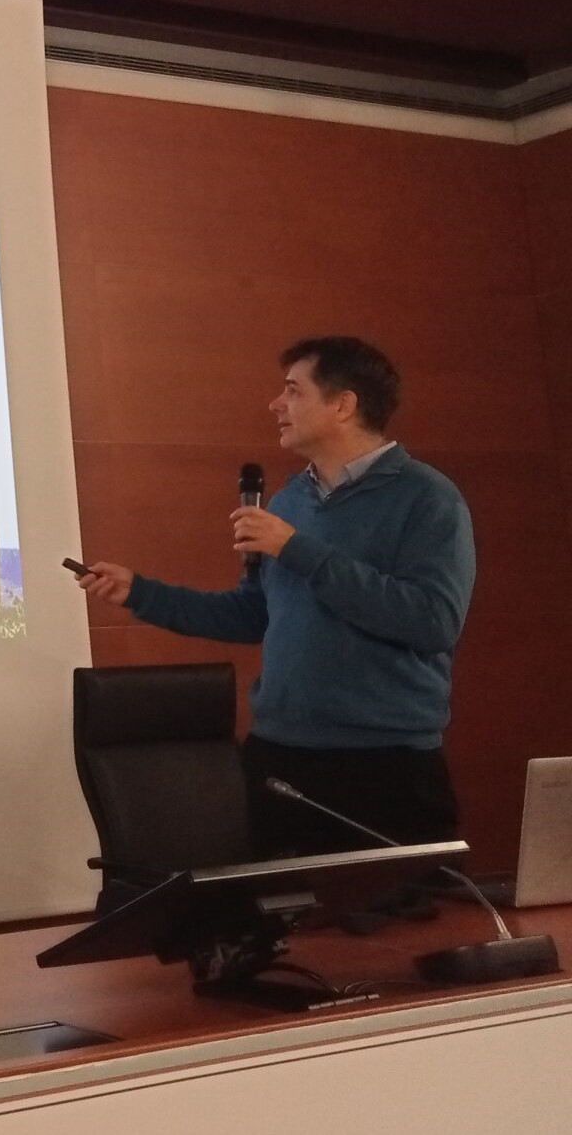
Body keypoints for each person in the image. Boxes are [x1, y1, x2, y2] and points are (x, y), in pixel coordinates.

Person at [75, 336, 476, 862]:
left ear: (343, 404)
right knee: (281, 929)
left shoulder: (426, 498)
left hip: (385, 767)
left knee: (400, 932)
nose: (275, 404)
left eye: (292, 390)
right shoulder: (291, 502)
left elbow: (432, 621)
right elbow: (255, 614)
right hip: (280, 760)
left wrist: (297, 548)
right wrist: (142, 593)